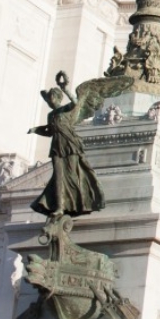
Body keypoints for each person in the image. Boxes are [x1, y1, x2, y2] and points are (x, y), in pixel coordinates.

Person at [29, 71, 104, 218]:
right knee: (58, 176)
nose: (49, 102)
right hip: (57, 146)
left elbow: (77, 103)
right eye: (47, 100)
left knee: (72, 174)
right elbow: (50, 131)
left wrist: (65, 88)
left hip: (71, 145)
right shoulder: (51, 115)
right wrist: (36, 130)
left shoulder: (66, 109)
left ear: (56, 97)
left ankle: (80, 202)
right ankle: (59, 207)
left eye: (50, 98)